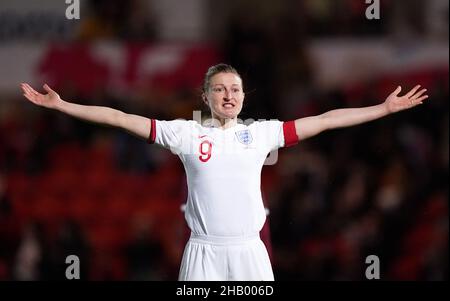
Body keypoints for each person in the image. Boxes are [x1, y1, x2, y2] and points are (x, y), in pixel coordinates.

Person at [20, 63, 428, 281]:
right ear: (206, 96)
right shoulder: (184, 133)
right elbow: (118, 116)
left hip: (249, 251)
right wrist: (62, 106)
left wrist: (382, 109)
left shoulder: (263, 134)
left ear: (244, 96)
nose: (228, 95)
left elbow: (325, 120)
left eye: (235, 89)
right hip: (203, 252)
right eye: (219, 89)